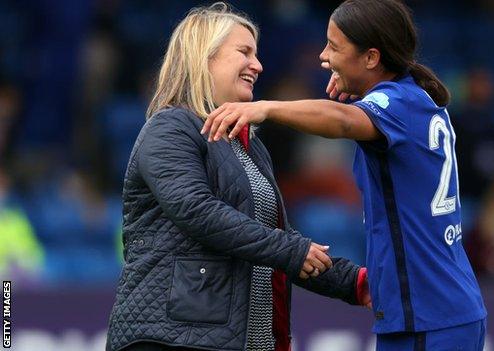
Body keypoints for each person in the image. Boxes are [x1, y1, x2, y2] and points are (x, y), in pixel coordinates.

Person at [202, 0, 487, 350]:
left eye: (334, 47)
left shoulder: (396, 103)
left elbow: (340, 120)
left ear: (370, 58)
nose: (324, 56)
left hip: (427, 314)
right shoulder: (412, 98)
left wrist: (266, 107)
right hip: (441, 307)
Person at [105, 4, 370, 351]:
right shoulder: (170, 127)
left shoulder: (249, 145)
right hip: (173, 338)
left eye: (256, 54)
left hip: (235, 339)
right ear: (204, 57)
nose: (258, 65)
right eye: (244, 52)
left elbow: (278, 239)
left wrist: (356, 283)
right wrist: (290, 249)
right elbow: (197, 210)